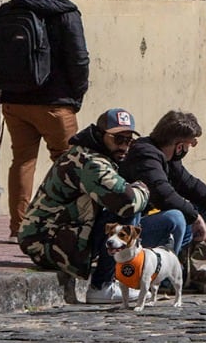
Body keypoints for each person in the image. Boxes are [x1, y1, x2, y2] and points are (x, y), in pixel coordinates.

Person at [0, 0, 91, 238]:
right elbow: (79, 59)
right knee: (68, 164)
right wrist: (76, 95)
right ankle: (61, 225)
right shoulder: (66, 12)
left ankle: (18, 227)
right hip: (56, 102)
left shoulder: (10, 9)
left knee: (22, 162)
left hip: (14, 101)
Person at [17, 108, 151, 303]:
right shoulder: (89, 162)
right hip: (45, 241)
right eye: (118, 139)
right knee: (125, 214)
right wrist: (142, 188)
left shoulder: (101, 156)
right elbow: (127, 202)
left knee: (167, 220)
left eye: (128, 141)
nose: (124, 146)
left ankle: (142, 275)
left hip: (65, 232)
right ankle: (102, 285)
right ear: (100, 135)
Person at [120, 110, 206, 253]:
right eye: (191, 143)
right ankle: (172, 263)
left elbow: (191, 185)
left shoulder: (167, 157)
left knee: (198, 208)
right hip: (128, 228)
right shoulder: (145, 155)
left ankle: (183, 256)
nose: (190, 147)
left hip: (144, 218)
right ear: (179, 147)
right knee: (177, 218)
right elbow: (163, 194)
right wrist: (194, 217)